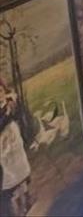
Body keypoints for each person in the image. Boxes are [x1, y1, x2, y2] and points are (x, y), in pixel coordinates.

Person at [0, 79, 33, 217]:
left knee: (20, 167)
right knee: (9, 172)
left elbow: (17, 114)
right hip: (3, 143)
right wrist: (7, 114)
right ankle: (16, 205)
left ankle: (26, 198)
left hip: (13, 138)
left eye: (0, 91)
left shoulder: (9, 101)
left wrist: (13, 107)